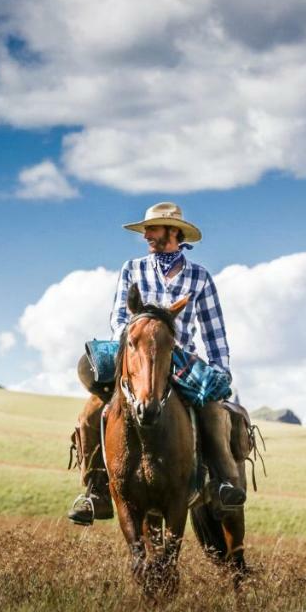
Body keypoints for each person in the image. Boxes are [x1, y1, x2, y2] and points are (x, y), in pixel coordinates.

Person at [67, 201, 246, 526]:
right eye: (146, 230)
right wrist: (141, 339)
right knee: (92, 411)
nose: (146, 234)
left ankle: (221, 483)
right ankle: (95, 491)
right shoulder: (132, 269)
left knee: (212, 411)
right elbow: (119, 318)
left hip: (181, 362)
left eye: (153, 228)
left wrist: (220, 371)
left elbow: (213, 329)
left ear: (173, 232)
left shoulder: (199, 277)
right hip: (137, 359)